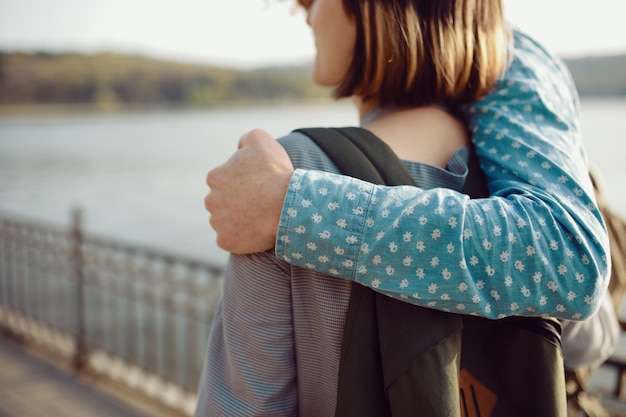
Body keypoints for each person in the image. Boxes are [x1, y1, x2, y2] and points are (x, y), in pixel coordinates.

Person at [197, 0, 611, 415]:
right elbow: (590, 339)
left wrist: (290, 204)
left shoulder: (286, 174)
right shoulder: (521, 179)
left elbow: (242, 406)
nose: (304, 12)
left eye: (313, 0)